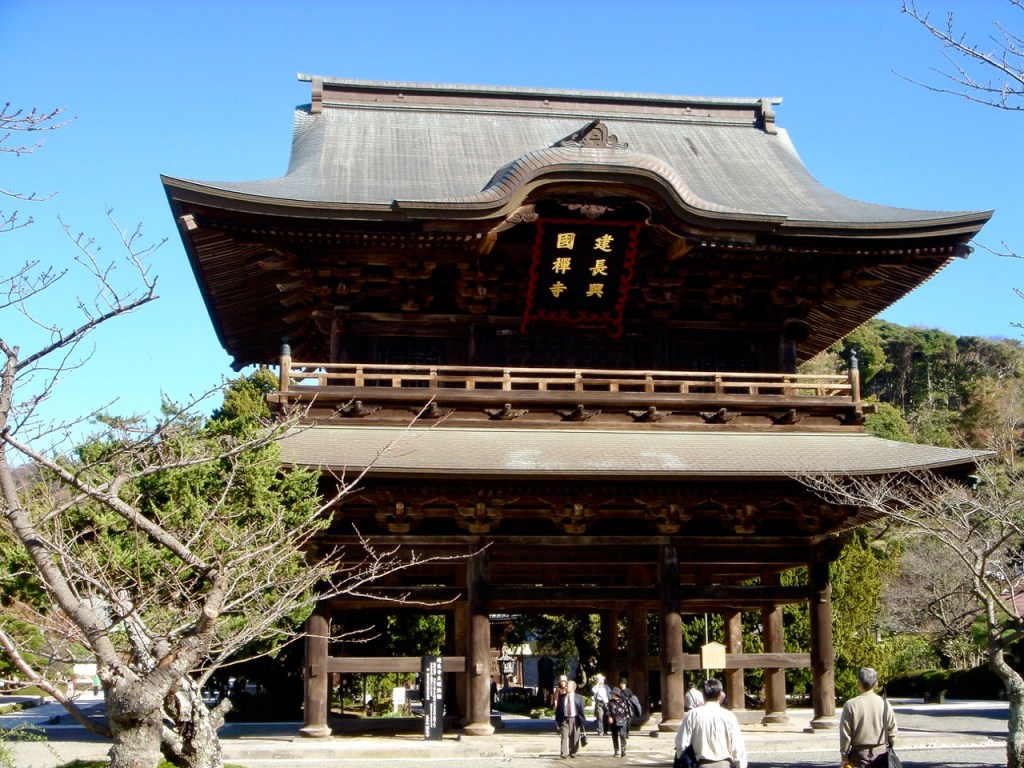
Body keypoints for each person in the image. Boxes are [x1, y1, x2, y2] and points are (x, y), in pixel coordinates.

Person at [675, 677, 747, 768]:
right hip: (724, 764)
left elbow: (681, 743)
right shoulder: (729, 716)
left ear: (703, 695)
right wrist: (740, 765)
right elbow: (738, 745)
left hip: (701, 763)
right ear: (720, 695)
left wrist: (685, 760)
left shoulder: (692, 714)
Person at [840, 667, 898, 768]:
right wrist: (891, 745)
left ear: (858, 683)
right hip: (881, 754)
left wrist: (844, 756)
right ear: (876, 683)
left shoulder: (850, 705)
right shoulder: (885, 704)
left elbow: (845, 734)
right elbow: (892, 732)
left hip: (858, 755)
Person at [555, 679, 586, 759]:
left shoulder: (578, 697)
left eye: (567, 686)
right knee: (564, 736)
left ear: (573, 688)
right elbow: (558, 709)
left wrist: (582, 721)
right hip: (564, 719)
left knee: (574, 737)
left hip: (575, 719)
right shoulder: (562, 697)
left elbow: (581, 710)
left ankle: (573, 752)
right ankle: (563, 753)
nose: (565, 687)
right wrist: (557, 720)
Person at [607, 688, 632, 758]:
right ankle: (616, 750)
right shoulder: (610, 702)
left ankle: (623, 750)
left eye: (613, 693)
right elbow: (608, 711)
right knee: (614, 736)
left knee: (622, 735)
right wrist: (609, 717)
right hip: (613, 722)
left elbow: (627, 712)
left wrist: (626, 720)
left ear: (616, 694)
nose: (611, 695)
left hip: (622, 721)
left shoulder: (623, 702)